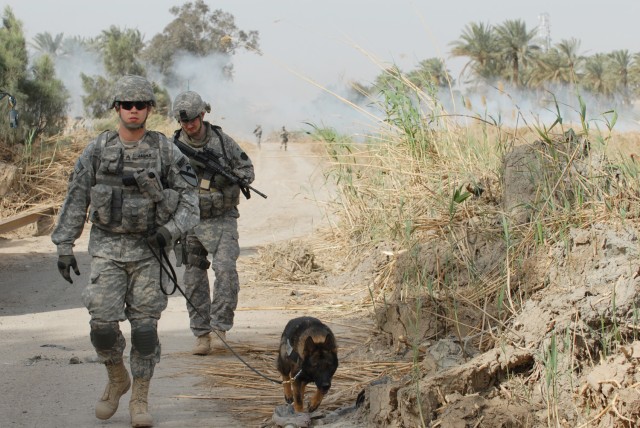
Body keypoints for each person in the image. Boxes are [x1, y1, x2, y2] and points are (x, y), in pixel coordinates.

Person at [51, 75, 200, 427]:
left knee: (145, 330)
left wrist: (169, 231)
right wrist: (63, 244)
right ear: (117, 108)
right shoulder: (98, 149)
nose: (134, 111)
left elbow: (191, 201)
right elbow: (77, 196)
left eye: (141, 105)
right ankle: (118, 378)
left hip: (149, 252)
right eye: (127, 105)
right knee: (102, 325)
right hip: (107, 248)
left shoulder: (165, 150)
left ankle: (140, 398)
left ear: (149, 109)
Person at [171, 91, 255, 356]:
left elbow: (247, 171)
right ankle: (202, 334)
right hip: (190, 221)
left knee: (226, 272)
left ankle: (220, 329)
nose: (188, 126)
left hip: (222, 219)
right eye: (184, 122)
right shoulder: (172, 147)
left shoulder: (221, 141)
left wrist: (224, 179)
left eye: (193, 120)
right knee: (194, 278)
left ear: (202, 115)